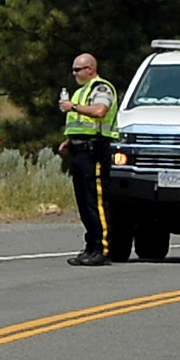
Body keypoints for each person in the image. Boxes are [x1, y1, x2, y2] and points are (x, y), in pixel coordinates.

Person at [58, 51, 119, 264]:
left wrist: (72, 107)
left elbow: (100, 111)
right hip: (80, 150)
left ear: (91, 69)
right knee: (84, 202)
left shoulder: (100, 88)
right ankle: (90, 246)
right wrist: (69, 140)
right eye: (73, 69)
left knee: (96, 201)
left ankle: (102, 249)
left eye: (78, 69)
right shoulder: (80, 92)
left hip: (95, 150)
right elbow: (79, 123)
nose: (74, 73)